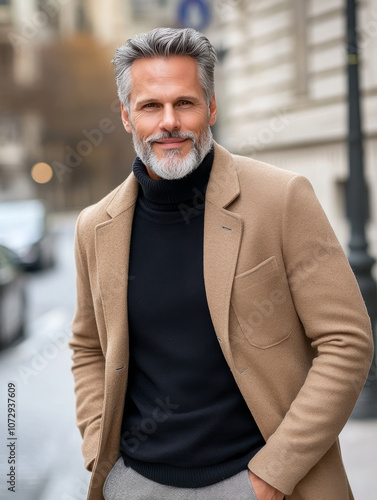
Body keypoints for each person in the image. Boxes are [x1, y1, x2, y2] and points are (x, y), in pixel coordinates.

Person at [69, 27, 373, 500]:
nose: (170, 121)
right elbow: (88, 347)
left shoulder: (281, 199)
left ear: (211, 108)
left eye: (185, 103)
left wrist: (273, 474)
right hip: (137, 485)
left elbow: (346, 340)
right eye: (151, 106)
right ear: (127, 117)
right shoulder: (94, 226)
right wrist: (99, 452)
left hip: (260, 482)